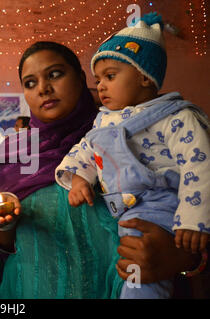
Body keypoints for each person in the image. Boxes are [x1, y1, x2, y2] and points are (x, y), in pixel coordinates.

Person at [0, 41, 202, 299]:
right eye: (30, 83)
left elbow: (192, 204)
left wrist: (181, 258)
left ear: (81, 78)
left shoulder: (133, 137)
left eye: (55, 74)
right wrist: (1, 228)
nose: (44, 89)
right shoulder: (10, 156)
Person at [55, 13, 209, 299]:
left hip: (162, 203)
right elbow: (86, 150)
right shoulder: (103, 122)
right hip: (126, 207)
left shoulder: (175, 117)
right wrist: (79, 179)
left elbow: (200, 162)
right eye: (98, 78)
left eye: (110, 76)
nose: (100, 85)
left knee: (139, 263)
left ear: (143, 76)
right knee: (132, 258)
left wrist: (193, 219)